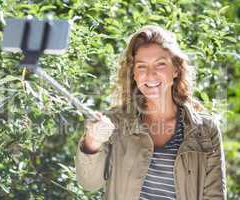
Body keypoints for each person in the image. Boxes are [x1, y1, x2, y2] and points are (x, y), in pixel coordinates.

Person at [74, 25, 227, 200]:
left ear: (176, 69)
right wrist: (92, 142)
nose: (150, 74)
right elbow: (89, 183)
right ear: (133, 74)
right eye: (141, 67)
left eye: (160, 64)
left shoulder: (206, 130)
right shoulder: (115, 122)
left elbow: (215, 196)